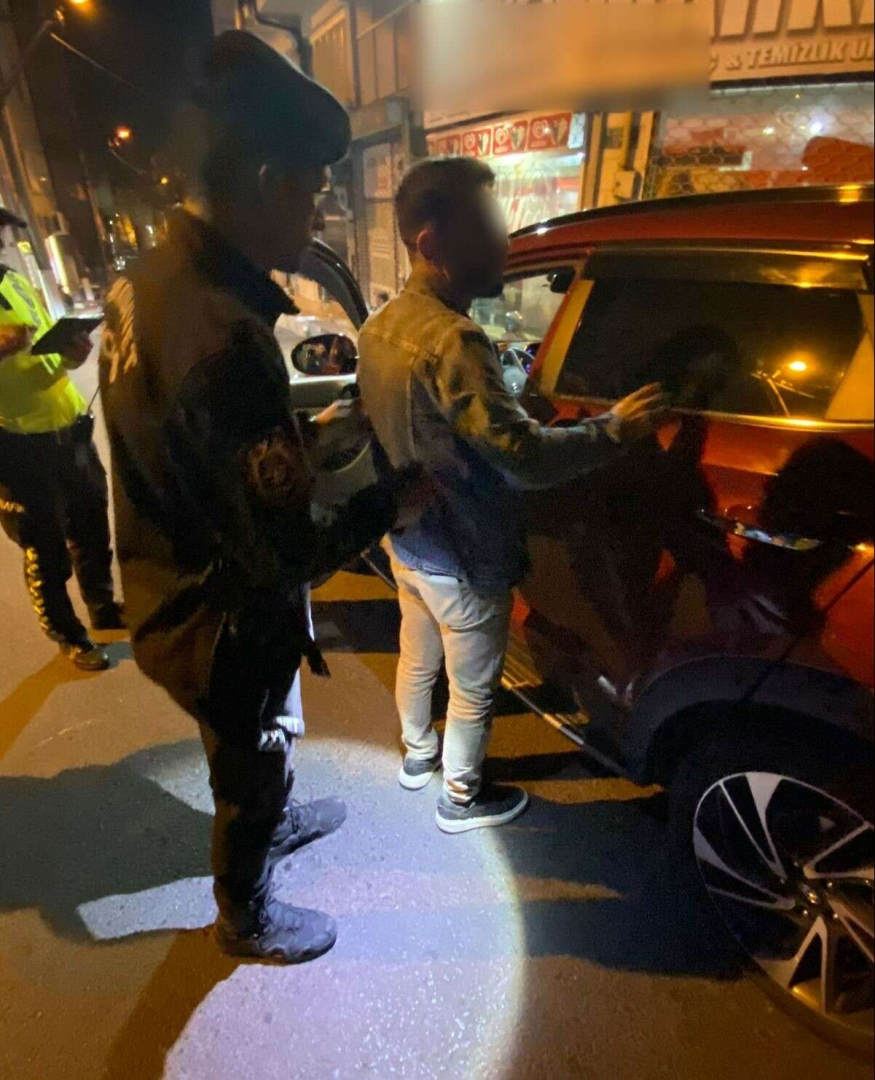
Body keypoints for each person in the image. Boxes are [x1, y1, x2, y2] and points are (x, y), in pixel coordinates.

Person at [98, 32, 423, 964]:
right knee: (254, 754)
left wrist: (299, 446)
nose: (321, 207)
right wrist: (390, 503)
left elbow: (191, 449)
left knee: (237, 740)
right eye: (315, 188)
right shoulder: (224, 337)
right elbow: (285, 554)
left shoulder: (151, 281)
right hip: (221, 618)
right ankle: (246, 913)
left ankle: (270, 823)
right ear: (271, 182)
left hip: (169, 587)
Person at [357, 158, 666, 834]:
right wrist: (613, 429)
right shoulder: (454, 339)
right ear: (432, 244)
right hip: (465, 551)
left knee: (418, 657)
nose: (502, 243)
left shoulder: (380, 326)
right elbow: (520, 457)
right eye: (486, 229)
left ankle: (417, 758)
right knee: (472, 689)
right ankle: (460, 799)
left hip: (409, 541)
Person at [0, 209, 124, 672]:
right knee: (45, 549)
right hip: (16, 445)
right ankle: (69, 635)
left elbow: (43, 356)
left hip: (69, 430)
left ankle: (102, 608)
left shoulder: (14, 281)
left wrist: (73, 353)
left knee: (91, 527)